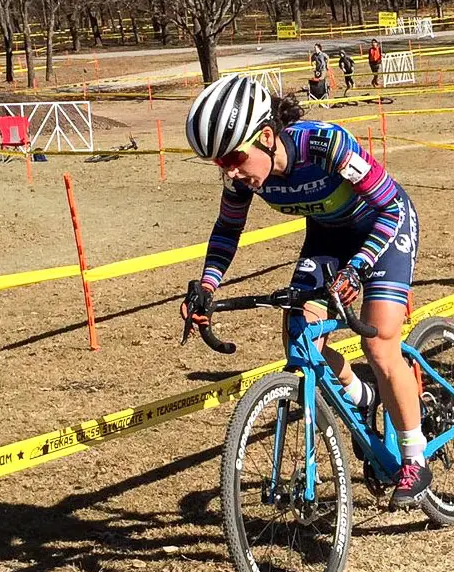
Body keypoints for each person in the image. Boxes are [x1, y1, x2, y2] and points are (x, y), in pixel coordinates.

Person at [181, 75, 431, 506]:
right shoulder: (241, 177)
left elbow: (389, 205)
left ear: (264, 135)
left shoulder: (323, 145)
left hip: (383, 228)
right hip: (328, 239)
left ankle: (414, 456)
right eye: (221, 164)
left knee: (380, 343)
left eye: (236, 158)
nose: (233, 171)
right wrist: (206, 285)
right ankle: (363, 396)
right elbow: (227, 229)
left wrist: (358, 270)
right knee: (300, 338)